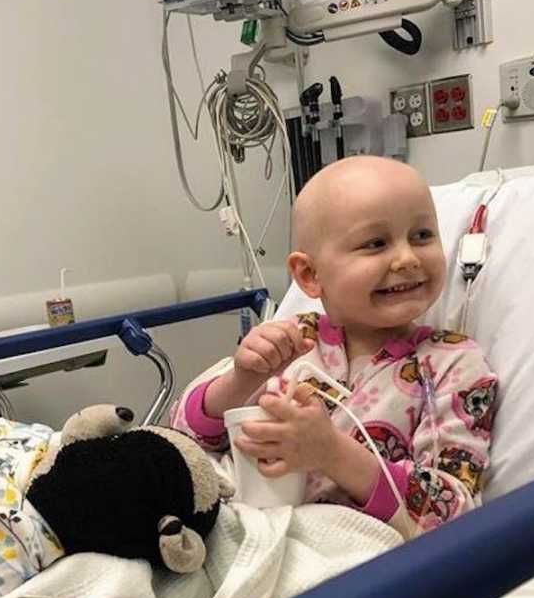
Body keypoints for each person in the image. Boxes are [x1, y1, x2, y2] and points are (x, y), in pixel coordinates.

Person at [171, 156, 497, 537]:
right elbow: (188, 439)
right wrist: (241, 380)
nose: (407, 258)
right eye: (376, 243)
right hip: (244, 532)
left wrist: (332, 453)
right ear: (310, 275)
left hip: (349, 557)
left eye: (422, 236)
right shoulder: (290, 342)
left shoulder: (450, 365)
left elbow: (452, 510)